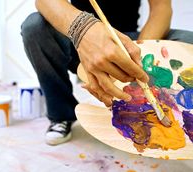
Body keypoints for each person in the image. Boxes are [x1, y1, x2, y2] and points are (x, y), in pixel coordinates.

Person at [21, 0, 193, 145]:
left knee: (188, 42)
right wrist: (82, 29)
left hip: (128, 40)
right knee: (35, 26)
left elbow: (161, 10)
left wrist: (138, 53)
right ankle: (60, 115)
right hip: (80, 44)